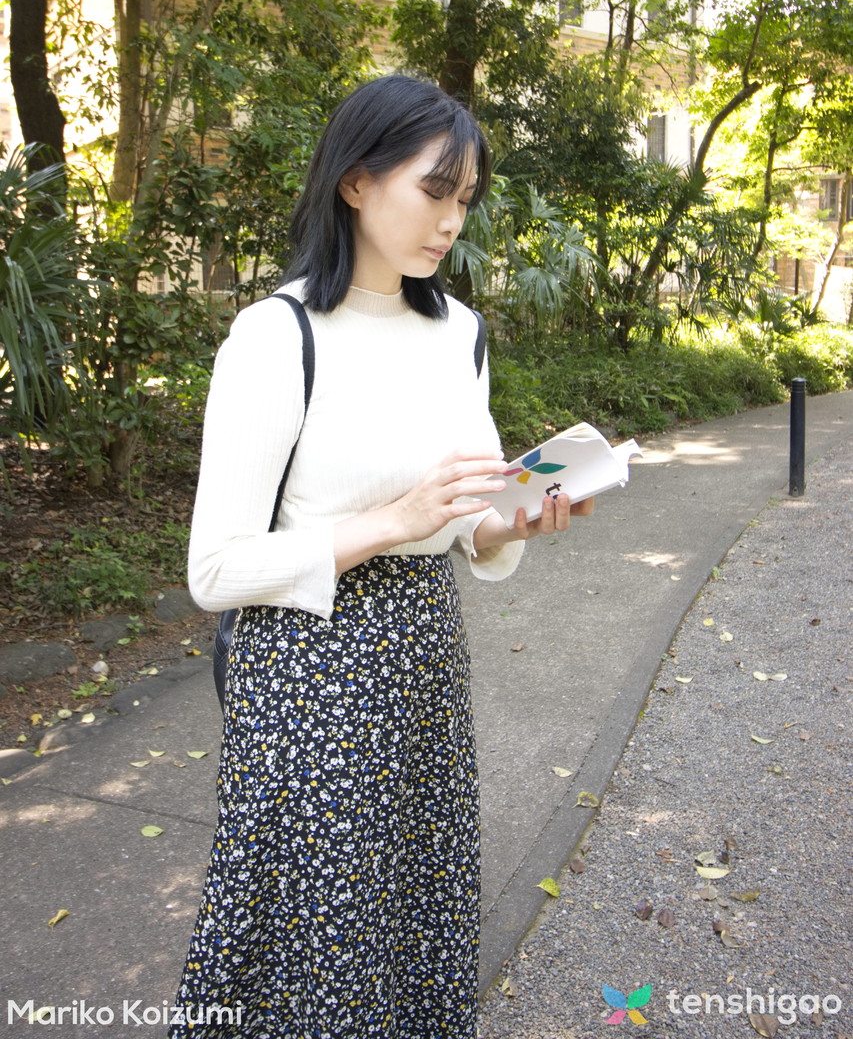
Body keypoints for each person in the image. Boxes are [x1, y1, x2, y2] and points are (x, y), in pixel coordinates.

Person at [168, 74, 592, 1039]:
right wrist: (392, 521)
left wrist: (506, 525)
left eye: (465, 199)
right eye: (434, 191)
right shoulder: (276, 337)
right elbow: (215, 570)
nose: (451, 221)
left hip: (424, 659)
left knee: (414, 904)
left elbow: (460, 517)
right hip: (307, 676)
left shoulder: (460, 333)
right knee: (313, 932)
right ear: (355, 182)